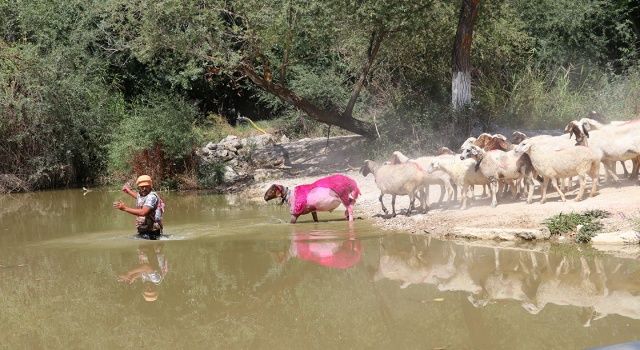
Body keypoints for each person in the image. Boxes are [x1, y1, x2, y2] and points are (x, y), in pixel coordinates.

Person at [113, 175, 164, 240]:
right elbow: (138, 196)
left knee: (151, 247)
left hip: (152, 230)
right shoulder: (143, 194)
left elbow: (143, 212)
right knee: (142, 248)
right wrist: (128, 191)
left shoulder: (151, 197)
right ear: (139, 187)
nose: (144, 188)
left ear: (151, 185)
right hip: (144, 227)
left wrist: (125, 208)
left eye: (146, 186)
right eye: (142, 187)